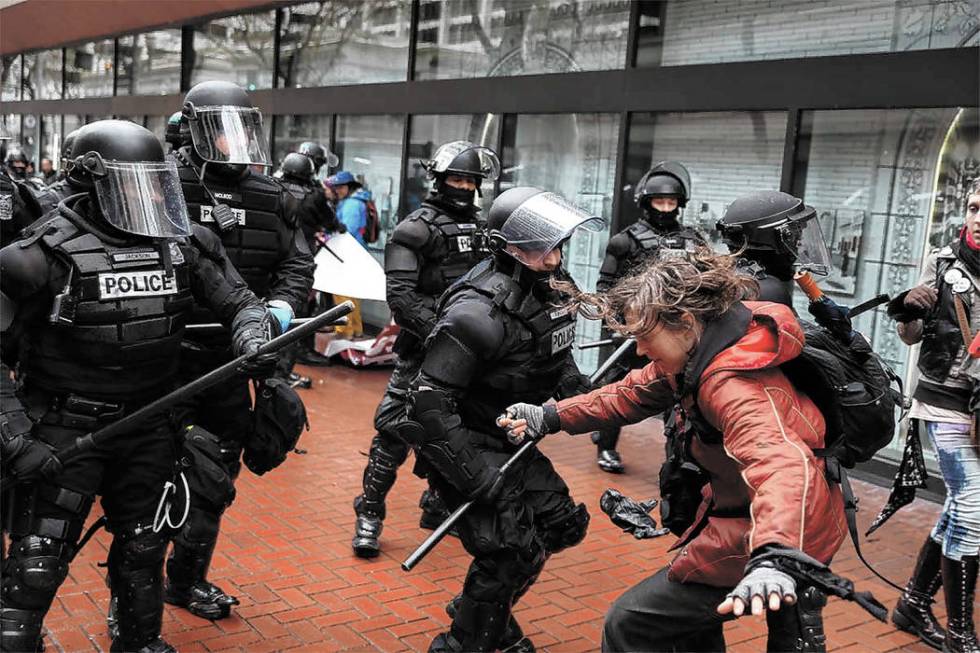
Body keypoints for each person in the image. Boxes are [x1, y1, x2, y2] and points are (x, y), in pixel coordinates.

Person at [0, 119, 277, 653]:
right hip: (64, 430)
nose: (145, 197)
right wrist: (16, 441)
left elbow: (241, 302)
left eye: (152, 182)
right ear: (89, 182)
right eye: (130, 184)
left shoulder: (182, 243)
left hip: (151, 424)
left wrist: (251, 339)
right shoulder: (33, 258)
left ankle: (138, 641)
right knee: (38, 562)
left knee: (144, 550)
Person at [500, 249, 848, 653]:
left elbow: (781, 465)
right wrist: (550, 415)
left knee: (632, 622)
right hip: (762, 524)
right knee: (688, 631)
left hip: (777, 533)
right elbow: (629, 393)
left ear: (684, 323)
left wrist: (775, 554)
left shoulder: (731, 384)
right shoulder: (704, 349)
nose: (642, 351)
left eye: (646, 338)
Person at [408, 186, 600, 652]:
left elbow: (556, 348)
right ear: (505, 247)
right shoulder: (476, 314)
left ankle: (481, 609)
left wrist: (573, 390)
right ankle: (465, 642)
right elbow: (429, 404)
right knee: (508, 553)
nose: (554, 257)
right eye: (541, 247)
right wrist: (476, 476)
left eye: (556, 245)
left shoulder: (552, 286)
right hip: (463, 443)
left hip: (510, 436)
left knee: (559, 525)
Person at [166, 80, 314, 620]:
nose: (233, 143)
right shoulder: (159, 183)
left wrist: (280, 306)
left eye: (241, 130)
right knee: (148, 474)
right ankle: (130, 594)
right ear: (191, 128)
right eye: (220, 131)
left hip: (236, 357)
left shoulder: (271, 194)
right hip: (166, 357)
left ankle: (186, 582)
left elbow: (297, 264)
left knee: (217, 473)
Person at [351, 140, 500, 558]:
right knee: (394, 430)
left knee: (459, 430)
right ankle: (370, 512)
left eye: (471, 180)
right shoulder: (415, 229)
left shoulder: (486, 229)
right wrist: (442, 331)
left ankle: (437, 504)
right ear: (438, 179)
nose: (464, 186)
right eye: (456, 178)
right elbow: (400, 295)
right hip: (425, 347)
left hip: (470, 353)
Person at [887, 186, 980, 653]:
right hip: (945, 400)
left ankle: (913, 603)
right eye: (974, 208)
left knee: (960, 507)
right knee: (974, 508)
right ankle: (960, 632)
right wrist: (907, 308)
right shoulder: (943, 262)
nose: (978, 218)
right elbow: (910, 336)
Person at [591, 161, 705, 473]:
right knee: (620, 388)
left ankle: (678, 456)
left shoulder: (694, 241)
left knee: (682, 392)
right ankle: (605, 445)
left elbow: (707, 283)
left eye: (671, 202)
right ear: (646, 203)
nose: (666, 208)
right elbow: (606, 287)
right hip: (638, 330)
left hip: (678, 332)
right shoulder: (625, 241)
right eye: (660, 202)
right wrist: (621, 324)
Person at [329, 170, 368, 338]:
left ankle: (345, 330)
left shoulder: (352, 204)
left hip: (347, 252)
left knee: (341, 291)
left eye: (340, 187)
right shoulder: (357, 201)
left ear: (348, 187)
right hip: (355, 252)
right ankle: (356, 328)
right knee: (352, 292)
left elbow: (347, 230)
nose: (337, 190)